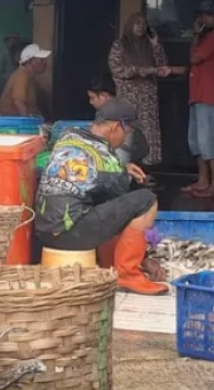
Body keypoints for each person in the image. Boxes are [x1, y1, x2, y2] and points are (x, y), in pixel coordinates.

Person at [36, 97, 168, 295]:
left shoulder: (68, 136)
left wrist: (121, 169)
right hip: (70, 234)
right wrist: (122, 174)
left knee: (96, 200)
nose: (125, 140)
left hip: (43, 231)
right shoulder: (108, 160)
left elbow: (89, 170)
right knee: (146, 200)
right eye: (127, 132)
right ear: (116, 127)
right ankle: (128, 274)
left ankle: (111, 263)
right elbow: (121, 208)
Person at [107, 13, 179, 167]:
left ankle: (147, 170)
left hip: (147, 99)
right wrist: (139, 70)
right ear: (130, 25)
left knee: (148, 134)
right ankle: (126, 168)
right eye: (137, 23)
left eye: (144, 24)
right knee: (128, 133)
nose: (141, 27)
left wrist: (155, 45)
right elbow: (116, 69)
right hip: (128, 99)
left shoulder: (149, 46)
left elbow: (162, 66)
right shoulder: (120, 45)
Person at [181, 0, 214, 197]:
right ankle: (203, 180)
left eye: (209, 15)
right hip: (198, 95)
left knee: (209, 141)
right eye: (203, 14)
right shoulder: (203, 37)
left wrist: (196, 35)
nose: (204, 18)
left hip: (210, 96)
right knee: (196, 141)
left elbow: (195, 57)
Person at [85, 72, 149, 166]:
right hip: (137, 147)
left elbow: (95, 134)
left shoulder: (109, 109)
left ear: (104, 95)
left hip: (128, 149)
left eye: (92, 98)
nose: (90, 102)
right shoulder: (119, 104)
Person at [0, 43, 50, 117]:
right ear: (31, 61)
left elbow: (32, 107)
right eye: (41, 60)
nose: (45, 63)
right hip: (9, 123)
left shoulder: (30, 78)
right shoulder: (21, 75)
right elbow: (18, 102)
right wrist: (27, 121)